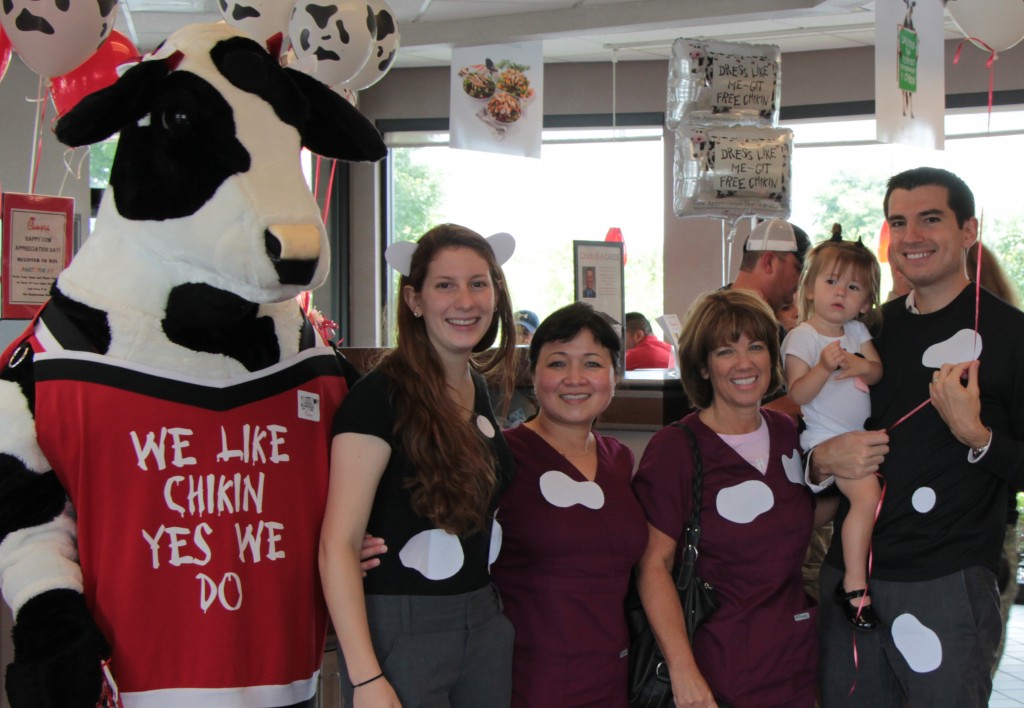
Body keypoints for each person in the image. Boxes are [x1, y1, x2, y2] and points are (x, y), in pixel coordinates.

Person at [810, 167, 1024, 706]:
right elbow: (814, 430)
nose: (911, 237)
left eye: (931, 219)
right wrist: (819, 461)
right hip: (852, 575)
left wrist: (976, 433)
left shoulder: (1012, 336)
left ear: (969, 231)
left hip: (947, 580)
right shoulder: (867, 331)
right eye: (898, 222)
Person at [319, 224, 520, 708]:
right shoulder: (379, 398)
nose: (465, 300)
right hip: (403, 629)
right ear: (414, 300)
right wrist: (366, 678)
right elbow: (337, 546)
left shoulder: (479, 388)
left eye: (478, 283)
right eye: (444, 285)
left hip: (484, 622)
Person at [634, 289, 820, 707]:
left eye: (755, 346)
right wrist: (683, 671)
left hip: (791, 658)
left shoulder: (790, 433)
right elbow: (654, 565)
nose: (744, 363)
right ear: (702, 366)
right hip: (714, 665)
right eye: (724, 351)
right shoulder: (677, 449)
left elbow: (803, 515)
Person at [492, 302, 648, 707]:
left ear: (615, 376)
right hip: (528, 679)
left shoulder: (619, 459)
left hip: (612, 674)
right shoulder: (501, 456)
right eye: (558, 363)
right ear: (533, 373)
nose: (575, 379)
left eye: (593, 364)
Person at [782, 236, 883, 630]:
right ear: (809, 288)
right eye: (832, 282)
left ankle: (855, 574)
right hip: (826, 436)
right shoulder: (803, 336)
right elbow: (797, 393)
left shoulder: (856, 332)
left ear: (865, 301)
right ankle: (854, 583)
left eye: (853, 287)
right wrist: (823, 367)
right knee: (867, 497)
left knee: (866, 500)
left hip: (858, 435)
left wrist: (860, 366)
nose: (840, 292)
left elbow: (876, 370)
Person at [730, 217, 811, 312]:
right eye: (799, 269)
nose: (802, 280)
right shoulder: (738, 321)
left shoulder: (714, 312)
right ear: (769, 262)